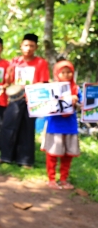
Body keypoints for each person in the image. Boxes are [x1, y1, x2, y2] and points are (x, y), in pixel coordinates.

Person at [0, 33, 50, 168]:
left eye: (31, 46)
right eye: (26, 45)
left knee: (27, 129)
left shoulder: (41, 63)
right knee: (8, 126)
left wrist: (31, 89)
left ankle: (25, 160)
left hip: (31, 100)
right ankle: (5, 156)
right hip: (14, 99)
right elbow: (8, 82)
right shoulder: (15, 61)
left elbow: (44, 82)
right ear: (21, 46)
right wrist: (9, 73)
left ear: (36, 47)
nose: (28, 48)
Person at [41, 60, 80, 190]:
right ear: (57, 73)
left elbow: (84, 105)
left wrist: (76, 100)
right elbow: (43, 104)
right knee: (52, 154)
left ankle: (64, 179)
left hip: (70, 126)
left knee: (68, 155)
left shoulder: (76, 89)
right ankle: (51, 179)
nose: (66, 74)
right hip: (55, 125)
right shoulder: (50, 88)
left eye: (69, 72)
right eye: (62, 72)